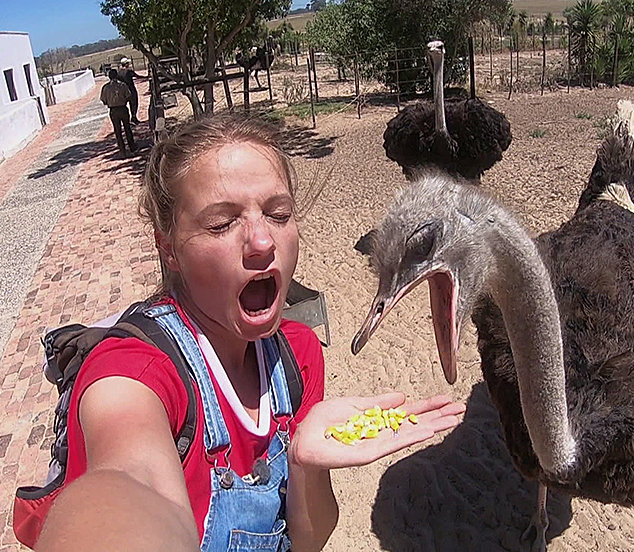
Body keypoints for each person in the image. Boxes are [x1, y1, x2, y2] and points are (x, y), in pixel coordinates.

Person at [34, 114, 465, 551]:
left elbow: (308, 540)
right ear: (170, 250)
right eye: (221, 224)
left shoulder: (297, 355)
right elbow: (128, 480)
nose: (262, 241)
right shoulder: (135, 373)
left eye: (279, 214)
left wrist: (304, 463)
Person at [100, 69, 137, 159]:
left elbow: (104, 101)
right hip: (123, 108)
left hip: (113, 111)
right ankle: (132, 148)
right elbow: (129, 96)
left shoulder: (105, 88)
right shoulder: (123, 85)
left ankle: (122, 150)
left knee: (118, 131)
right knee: (127, 128)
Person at [118, 57, 147, 124]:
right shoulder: (128, 71)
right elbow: (136, 76)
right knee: (134, 103)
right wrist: (145, 77)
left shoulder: (119, 72)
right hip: (131, 89)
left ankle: (127, 120)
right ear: (126, 64)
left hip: (122, 91)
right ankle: (134, 117)